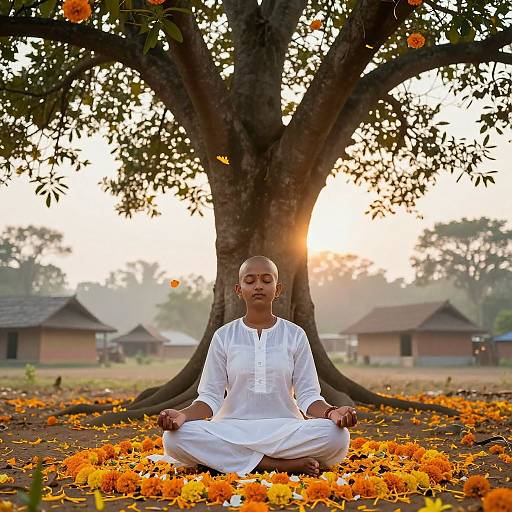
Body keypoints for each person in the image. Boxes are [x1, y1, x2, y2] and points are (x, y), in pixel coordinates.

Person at [156, 255, 357, 477]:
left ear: (277, 289)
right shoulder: (224, 336)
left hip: (284, 428)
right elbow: (210, 398)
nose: (258, 286)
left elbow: (309, 396)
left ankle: (232, 459)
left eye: (266, 280)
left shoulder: (295, 335)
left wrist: (331, 413)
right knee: (174, 438)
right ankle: (274, 464)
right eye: (250, 280)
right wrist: (182, 416)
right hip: (232, 428)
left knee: (336, 435)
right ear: (239, 289)